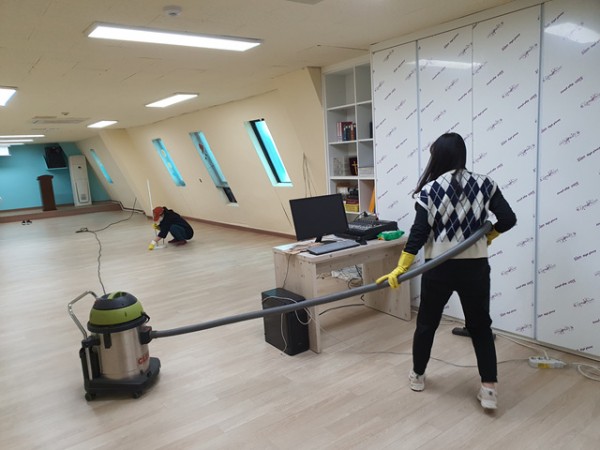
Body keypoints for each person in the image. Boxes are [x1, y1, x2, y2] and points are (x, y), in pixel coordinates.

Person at [376, 132, 516, 410]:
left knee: (427, 323)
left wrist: (401, 266)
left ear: (438, 157)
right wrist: (489, 235)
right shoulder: (486, 183)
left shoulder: (430, 190)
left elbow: (418, 233)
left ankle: (418, 375)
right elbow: (508, 219)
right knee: (480, 326)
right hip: (475, 268)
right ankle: (489, 389)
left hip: (438, 268)